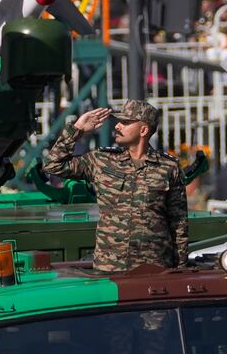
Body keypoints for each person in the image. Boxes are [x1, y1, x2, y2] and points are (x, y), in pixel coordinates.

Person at [41, 100, 188, 270]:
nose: (117, 126)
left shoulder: (168, 167)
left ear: (144, 130)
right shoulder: (102, 161)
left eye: (125, 122)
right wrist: (77, 129)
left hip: (153, 268)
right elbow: (52, 165)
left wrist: (180, 270)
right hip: (109, 267)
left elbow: (179, 223)